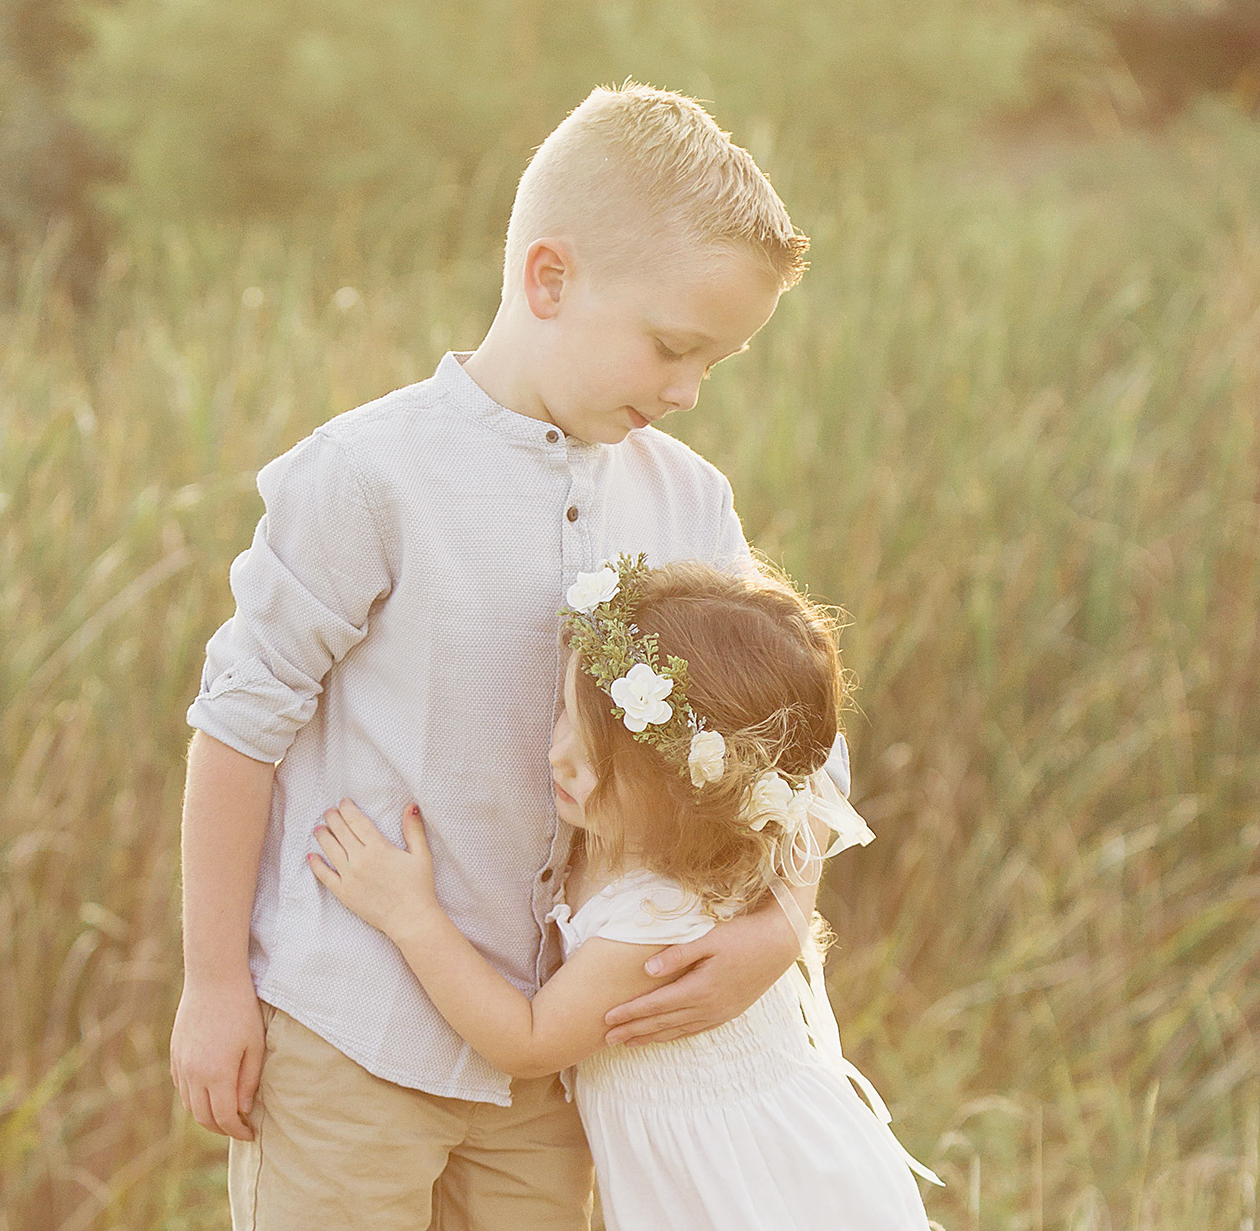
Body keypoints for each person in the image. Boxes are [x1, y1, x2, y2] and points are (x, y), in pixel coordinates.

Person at [170, 83, 816, 1231]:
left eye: (715, 363)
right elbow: (236, 726)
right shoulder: (368, 475)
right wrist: (214, 983)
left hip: (551, 1055)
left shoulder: (689, 498)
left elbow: (789, 750)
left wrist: (774, 927)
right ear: (548, 277)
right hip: (346, 1032)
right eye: (673, 346)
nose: (685, 389)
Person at [308, 554, 941, 1231]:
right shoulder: (667, 830)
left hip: (747, 1187)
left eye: (592, 756)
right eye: (565, 721)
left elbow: (527, 1041)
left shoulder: (655, 919)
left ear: (683, 788)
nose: (558, 757)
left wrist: (412, 916)